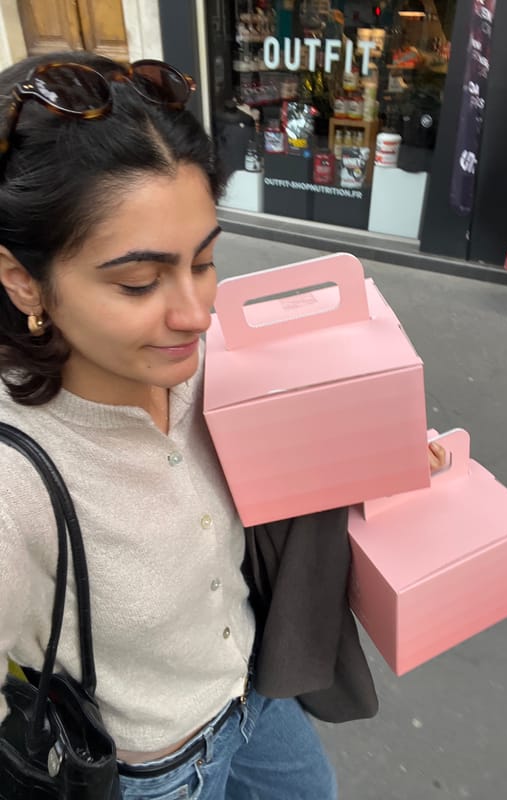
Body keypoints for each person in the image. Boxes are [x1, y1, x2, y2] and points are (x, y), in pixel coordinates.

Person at [0, 51, 445, 799]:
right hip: (150, 769)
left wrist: (386, 447)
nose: (197, 314)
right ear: (21, 278)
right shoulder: (15, 475)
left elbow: (293, 448)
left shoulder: (205, 364)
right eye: (140, 281)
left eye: (204, 261)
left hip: (257, 698)